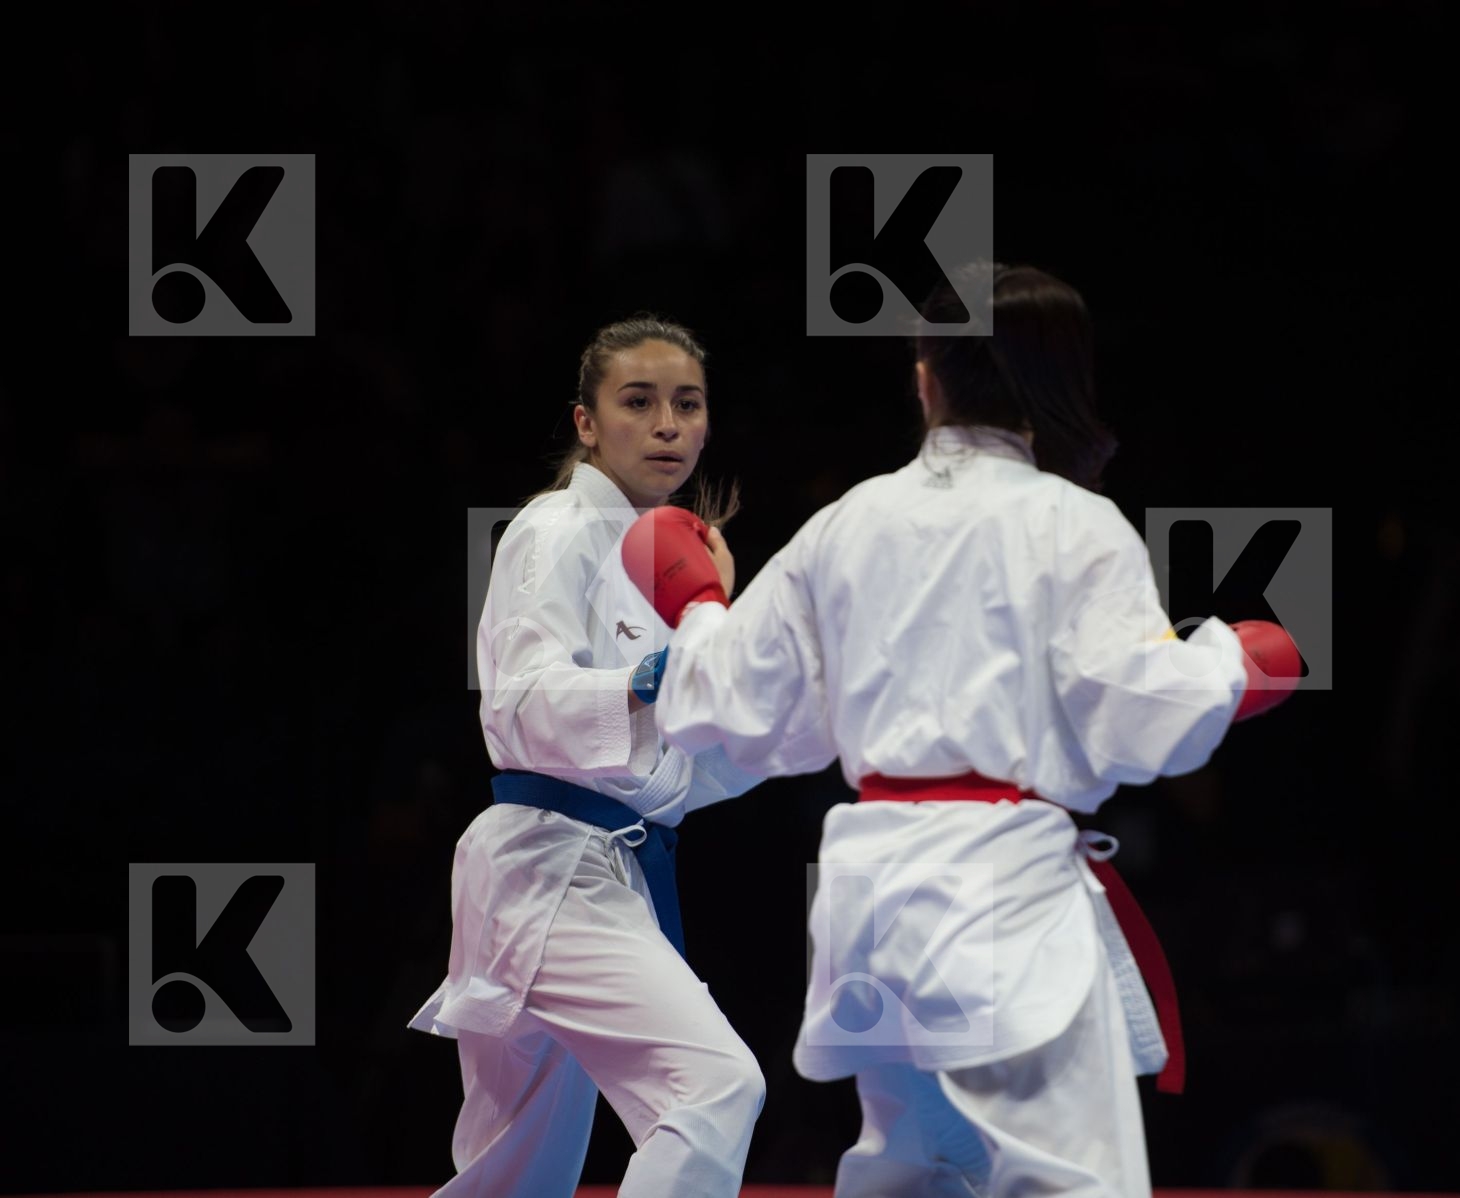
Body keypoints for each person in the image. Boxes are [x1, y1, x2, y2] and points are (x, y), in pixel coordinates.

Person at [621, 263, 1302, 1197]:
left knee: (916, 1173)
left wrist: (699, 606)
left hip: (872, 902)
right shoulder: (1073, 523)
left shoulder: (848, 523)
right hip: (999, 892)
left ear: (925, 378)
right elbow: (1142, 715)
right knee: (1070, 1184)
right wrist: (1233, 665)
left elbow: (725, 706)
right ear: (1058, 384)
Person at [408, 316, 768, 1197]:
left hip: (603, 869)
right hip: (552, 862)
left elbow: (689, 769)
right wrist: (655, 674)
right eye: (637, 402)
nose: (667, 424)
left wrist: (733, 659)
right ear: (586, 423)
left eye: (688, 404)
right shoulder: (558, 526)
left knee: (515, 1173)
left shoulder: (672, 554)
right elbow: (521, 702)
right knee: (716, 1086)